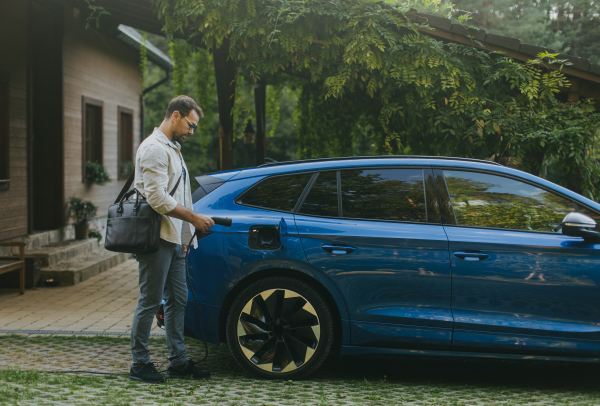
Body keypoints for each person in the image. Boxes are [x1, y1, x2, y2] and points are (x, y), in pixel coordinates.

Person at [129, 96, 215, 383]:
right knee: (150, 300)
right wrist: (192, 218)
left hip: (174, 237)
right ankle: (139, 364)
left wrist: (186, 236)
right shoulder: (154, 148)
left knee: (179, 299)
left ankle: (178, 361)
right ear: (175, 115)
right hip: (155, 237)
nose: (191, 132)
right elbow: (156, 197)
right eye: (190, 125)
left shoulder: (173, 149)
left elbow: (180, 195)